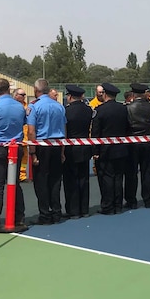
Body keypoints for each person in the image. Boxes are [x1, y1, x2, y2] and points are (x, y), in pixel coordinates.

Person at [0, 78, 27, 229]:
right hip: (16, 147)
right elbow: (23, 123)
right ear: (9, 89)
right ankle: (19, 217)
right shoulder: (20, 107)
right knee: (15, 183)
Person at [26, 78, 67, 224]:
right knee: (55, 180)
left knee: (41, 181)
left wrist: (33, 153)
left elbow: (31, 132)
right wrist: (62, 152)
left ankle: (44, 214)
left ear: (36, 90)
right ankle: (56, 212)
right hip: (57, 144)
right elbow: (64, 130)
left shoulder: (34, 106)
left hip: (42, 146)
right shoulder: (59, 106)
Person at [91, 83, 130, 214]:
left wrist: (95, 151)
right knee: (118, 177)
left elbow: (96, 133)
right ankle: (118, 205)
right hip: (121, 148)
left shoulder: (100, 110)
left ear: (105, 94)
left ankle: (108, 206)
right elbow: (128, 128)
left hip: (105, 150)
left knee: (107, 177)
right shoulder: (123, 109)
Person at [124, 83, 150, 209]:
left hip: (132, 142)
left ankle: (131, 200)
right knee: (148, 172)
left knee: (131, 173)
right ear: (145, 93)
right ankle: (148, 199)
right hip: (148, 141)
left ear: (133, 94)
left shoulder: (128, 108)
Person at [63, 84, 94, 218]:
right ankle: (84, 209)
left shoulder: (66, 111)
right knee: (84, 178)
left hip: (71, 147)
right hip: (85, 146)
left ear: (69, 96)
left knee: (71, 180)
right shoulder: (88, 110)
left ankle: (73, 210)